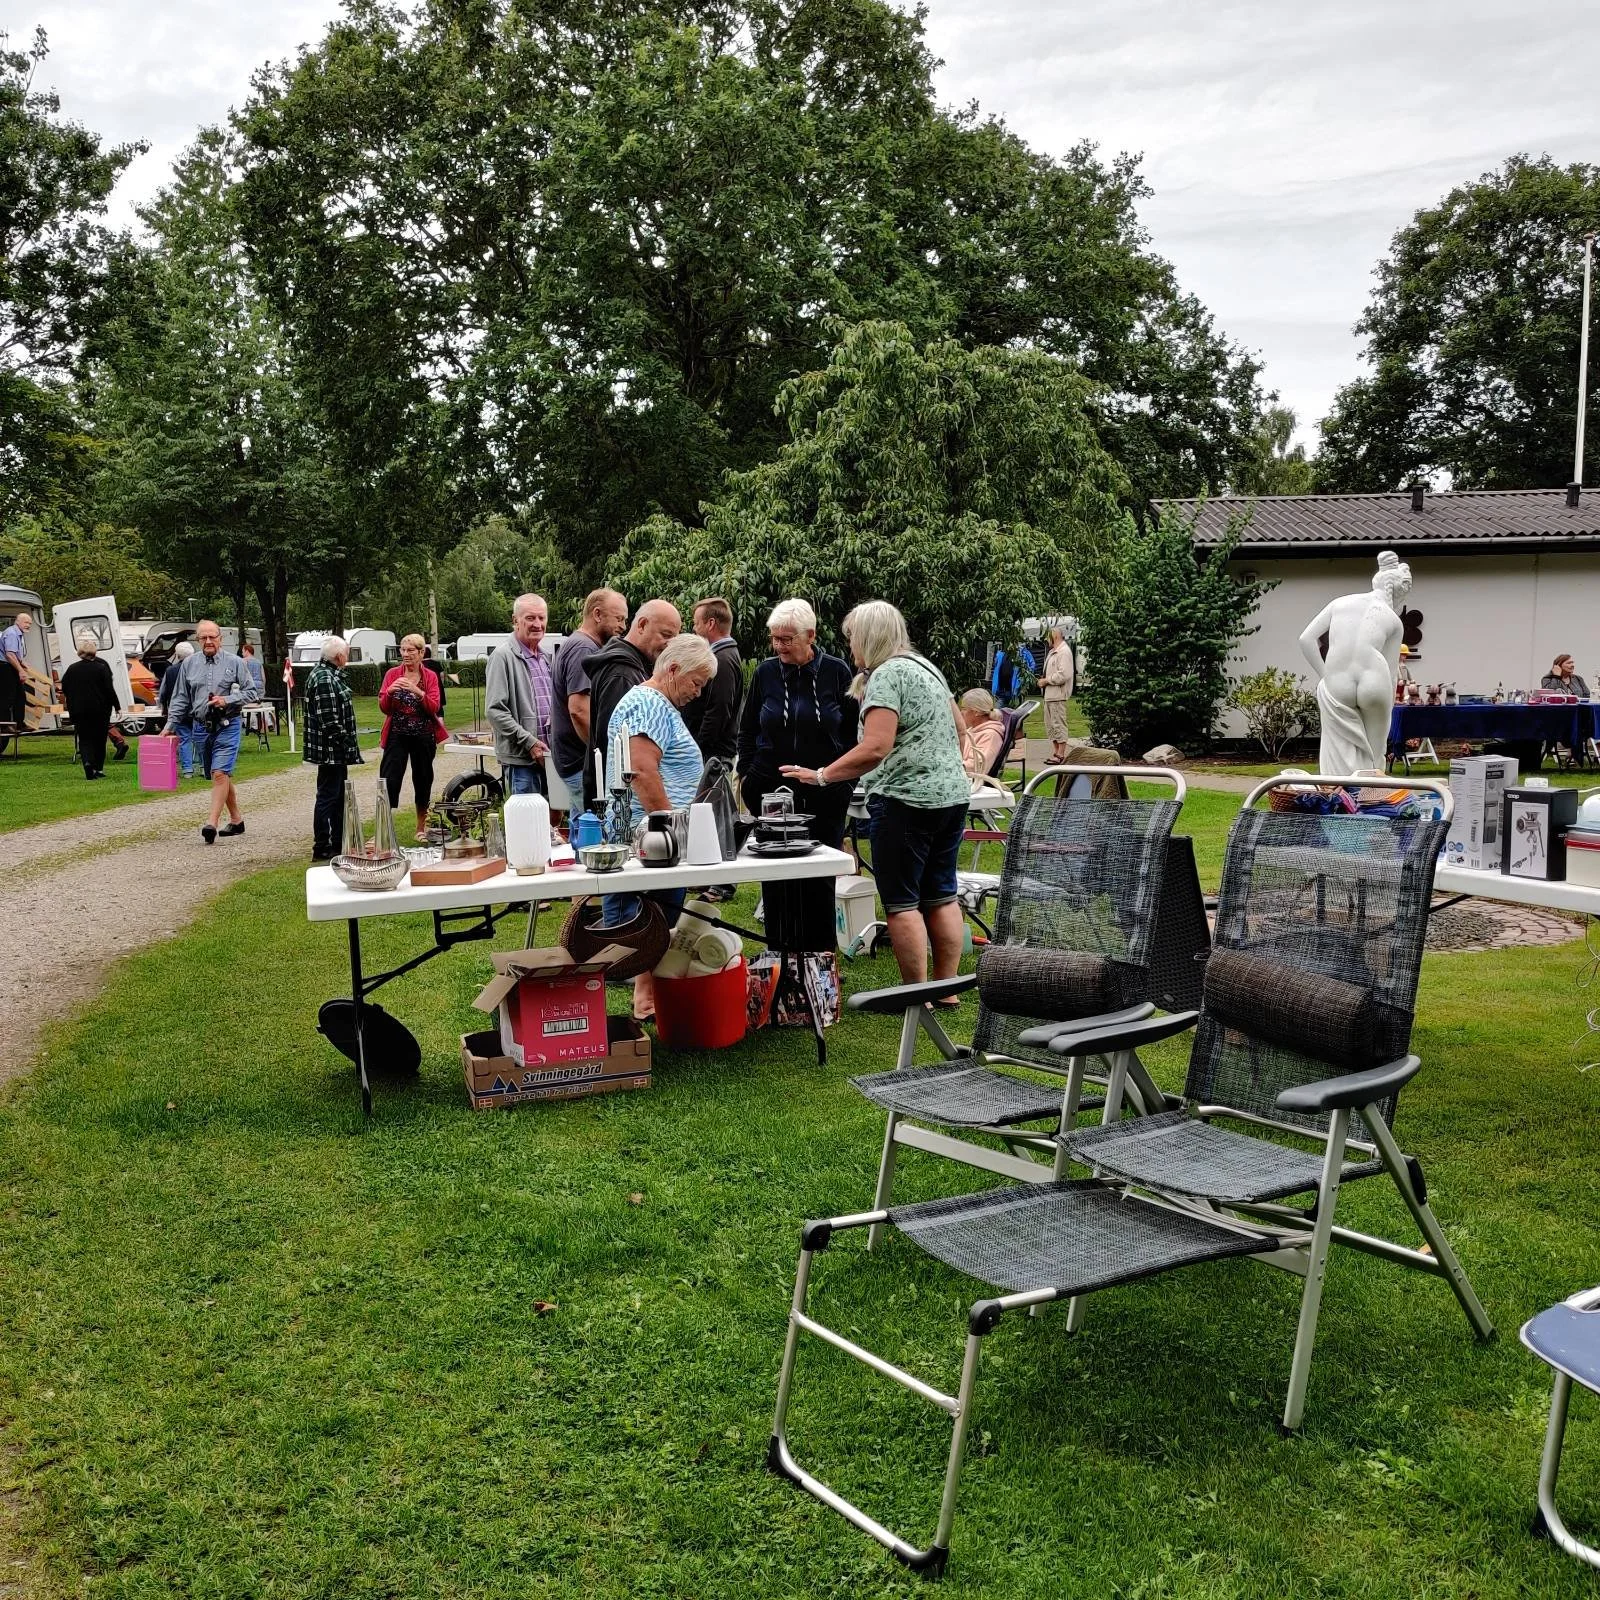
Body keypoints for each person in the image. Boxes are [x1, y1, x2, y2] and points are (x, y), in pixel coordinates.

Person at [783, 601, 970, 989]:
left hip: (905, 801)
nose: (850, 646)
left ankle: (916, 993)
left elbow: (875, 747)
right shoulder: (926, 667)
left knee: (902, 903)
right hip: (952, 797)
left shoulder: (886, 675)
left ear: (868, 638)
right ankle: (946, 989)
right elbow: (959, 726)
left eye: (853, 638)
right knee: (941, 894)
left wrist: (822, 775)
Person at [603, 633, 717, 1022]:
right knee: (649, 921)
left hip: (653, 837)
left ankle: (647, 1000)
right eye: (695, 682)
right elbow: (642, 770)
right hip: (649, 839)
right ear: (673, 669)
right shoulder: (649, 703)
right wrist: (668, 831)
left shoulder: (656, 704)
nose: (697, 693)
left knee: (659, 920)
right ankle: (643, 1000)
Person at [737, 598, 858, 848]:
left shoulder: (837, 671)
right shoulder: (765, 672)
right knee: (774, 860)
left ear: (810, 635)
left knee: (824, 862)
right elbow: (747, 729)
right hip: (768, 790)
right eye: (774, 638)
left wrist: (844, 785)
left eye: (786, 639)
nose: (778, 646)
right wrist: (748, 777)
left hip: (826, 792)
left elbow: (852, 733)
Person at [1298, 551, 1412, 776]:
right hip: (1374, 679)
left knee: (1338, 746)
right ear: (1397, 593)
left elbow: (1305, 639)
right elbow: (1391, 674)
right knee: (1375, 753)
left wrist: (1325, 677)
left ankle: (1337, 790)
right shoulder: (1393, 621)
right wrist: (1388, 707)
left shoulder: (1340, 603)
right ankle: (1371, 792)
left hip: (1337, 680)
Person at [164, 618, 260, 844]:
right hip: (200, 727)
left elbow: (252, 692)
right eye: (203, 637)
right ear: (198, 640)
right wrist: (169, 726)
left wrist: (226, 700)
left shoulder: (235, 662)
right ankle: (236, 820)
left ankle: (211, 823)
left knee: (219, 773)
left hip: (228, 724)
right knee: (219, 775)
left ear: (220, 639)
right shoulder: (189, 664)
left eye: (212, 637)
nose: (208, 641)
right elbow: (179, 698)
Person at [583, 599, 682, 809]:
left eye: (675, 638)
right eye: (666, 635)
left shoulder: (631, 667)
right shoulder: (622, 674)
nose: (670, 645)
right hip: (618, 803)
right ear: (642, 625)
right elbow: (616, 744)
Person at [551, 588, 629, 815]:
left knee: (581, 825)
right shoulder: (584, 648)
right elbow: (578, 710)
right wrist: (603, 754)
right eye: (619, 618)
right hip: (579, 761)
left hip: (572, 759)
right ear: (597, 614)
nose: (623, 626)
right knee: (595, 826)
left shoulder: (577, 643)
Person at [302, 635, 364, 860]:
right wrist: (346, 742)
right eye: (346, 653)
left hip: (332, 749)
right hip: (330, 750)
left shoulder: (326, 674)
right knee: (328, 797)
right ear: (339, 656)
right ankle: (321, 845)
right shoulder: (324, 678)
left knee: (337, 797)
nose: (347, 657)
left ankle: (339, 842)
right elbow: (329, 718)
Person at [486, 594, 553, 797]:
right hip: (522, 761)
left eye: (541, 618)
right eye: (530, 618)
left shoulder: (546, 658)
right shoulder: (502, 656)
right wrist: (529, 742)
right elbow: (495, 711)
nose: (537, 624)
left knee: (554, 815)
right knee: (527, 815)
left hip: (550, 757)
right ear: (515, 621)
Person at [378, 633, 444, 837]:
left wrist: (417, 691)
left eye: (410, 651)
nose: (405, 654)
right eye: (403, 650)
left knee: (423, 779)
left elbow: (434, 707)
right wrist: (389, 692)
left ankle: (421, 828)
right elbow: (384, 707)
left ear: (421, 653)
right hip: (397, 734)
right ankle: (383, 830)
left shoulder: (430, 676)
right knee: (389, 779)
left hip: (423, 735)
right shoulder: (392, 674)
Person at [681, 597, 744, 764]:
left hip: (711, 758)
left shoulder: (722, 660)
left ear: (710, 624)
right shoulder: (724, 655)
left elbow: (719, 710)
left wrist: (696, 749)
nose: (694, 629)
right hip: (709, 754)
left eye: (696, 623)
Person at [60, 632, 120, 780]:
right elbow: (109, 689)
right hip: (100, 710)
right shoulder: (101, 668)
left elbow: (65, 687)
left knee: (85, 738)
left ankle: (87, 762)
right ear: (94, 652)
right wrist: (117, 706)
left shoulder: (72, 669)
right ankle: (98, 768)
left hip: (79, 710)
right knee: (99, 739)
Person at [158, 640, 196, 777]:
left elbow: (163, 692)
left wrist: (163, 706)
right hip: (197, 710)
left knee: (184, 739)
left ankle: (187, 770)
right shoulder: (198, 668)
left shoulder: (170, 670)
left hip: (179, 711)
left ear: (177, 655)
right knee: (201, 739)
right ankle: (204, 768)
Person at [0, 609, 32, 752]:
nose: (28, 625)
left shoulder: (18, 634)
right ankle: (6, 725)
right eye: (26, 622)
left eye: (30, 623)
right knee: (8, 698)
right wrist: (20, 670)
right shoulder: (12, 633)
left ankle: (19, 723)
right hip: (4, 667)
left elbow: (16, 655)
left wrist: (24, 665)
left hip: (9, 666)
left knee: (20, 696)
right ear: (17, 622)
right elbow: (9, 654)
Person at [1042, 626, 1075, 763]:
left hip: (1058, 695)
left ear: (1055, 636)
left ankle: (1061, 754)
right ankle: (1056, 752)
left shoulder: (1064, 652)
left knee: (1058, 724)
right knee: (1050, 725)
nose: (1046, 639)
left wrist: (1046, 680)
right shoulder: (1053, 652)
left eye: (1048, 636)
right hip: (1049, 695)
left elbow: (1064, 674)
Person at [959, 687, 1005, 779]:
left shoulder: (990, 735)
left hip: (969, 781)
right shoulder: (972, 730)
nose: (961, 712)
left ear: (976, 712)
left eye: (964, 709)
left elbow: (977, 767)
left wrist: (949, 767)